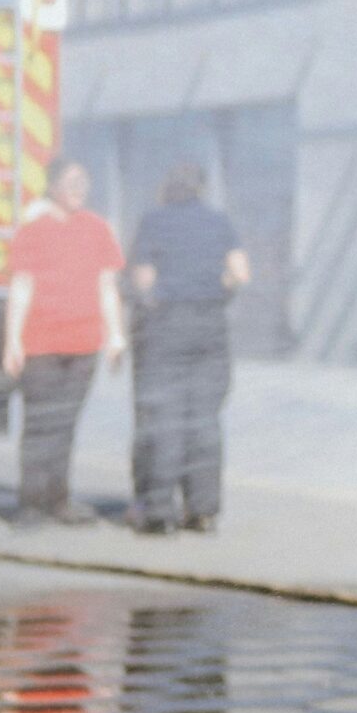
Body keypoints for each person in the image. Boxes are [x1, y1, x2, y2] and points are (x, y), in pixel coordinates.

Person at [2, 155, 127, 525]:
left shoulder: (98, 229)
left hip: (83, 343)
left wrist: (116, 335)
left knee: (66, 424)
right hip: (40, 343)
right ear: (52, 186)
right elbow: (21, 287)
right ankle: (30, 504)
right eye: (71, 182)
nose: (78, 190)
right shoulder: (32, 231)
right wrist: (13, 341)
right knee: (40, 425)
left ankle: (59, 499)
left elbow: (107, 287)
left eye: (83, 183)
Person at [126, 161, 249, 534]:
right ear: (201, 187)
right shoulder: (218, 221)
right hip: (210, 328)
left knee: (164, 419)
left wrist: (154, 299)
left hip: (167, 327)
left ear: (167, 186)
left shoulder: (154, 221)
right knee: (204, 420)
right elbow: (240, 272)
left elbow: (143, 280)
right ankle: (203, 509)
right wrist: (215, 290)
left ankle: (160, 511)